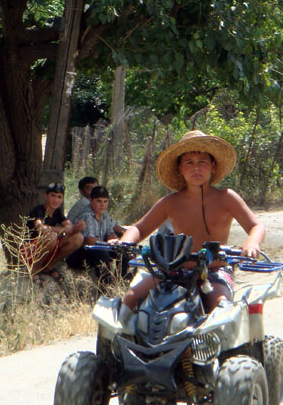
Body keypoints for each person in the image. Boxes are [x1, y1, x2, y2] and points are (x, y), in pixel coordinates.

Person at [110, 129, 266, 320]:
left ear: (213, 166)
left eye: (202, 162)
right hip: (173, 270)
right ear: (180, 169)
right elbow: (139, 228)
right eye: (189, 163)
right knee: (132, 296)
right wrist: (125, 242)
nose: (196, 168)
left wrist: (251, 243)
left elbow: (256, 226)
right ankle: (123, 337)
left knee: (221, 307)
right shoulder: (170, 202)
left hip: (213, 270)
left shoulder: (227, 197)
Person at [66, 186, 131, 285]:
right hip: (80, 254)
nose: (102, 205)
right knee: (102, 253)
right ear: (91, 200)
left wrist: (116, 243)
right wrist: (108, 244)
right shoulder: (86, 215)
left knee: (123, 251)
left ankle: (121, 283)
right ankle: (105, 287)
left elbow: (110, 232)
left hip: (98, 249)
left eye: (105, 201)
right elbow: (90, 241)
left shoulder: (104, 214)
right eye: (99, 201)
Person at [24, 182, 85, 283]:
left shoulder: (57, 212)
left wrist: (77, 227)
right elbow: (40, 228)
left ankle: (48, 267)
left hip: (46, 249)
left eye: (59, 197)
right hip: (30, 249)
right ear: (46, 196)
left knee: (78, 238)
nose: (56, 200)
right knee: (51, 236)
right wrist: (61, 230)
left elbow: (69, 226)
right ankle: (34, 269)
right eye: (53, 195)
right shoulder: (38, 210)